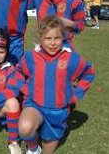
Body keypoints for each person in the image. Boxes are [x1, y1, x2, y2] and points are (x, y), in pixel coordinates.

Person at [16, 16, 95, 154]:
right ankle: (34, 148)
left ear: (63, 38)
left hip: (58, 112)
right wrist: (25, 89)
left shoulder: (71, 58)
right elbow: (18, 72)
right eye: (48, 38)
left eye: (57, 38)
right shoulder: (31, 57)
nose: (52, 43)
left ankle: (51, 133)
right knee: (24, 128)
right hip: (35, 105)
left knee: (48, 150)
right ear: (40, 38)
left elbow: (88, 73)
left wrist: (75, 94)